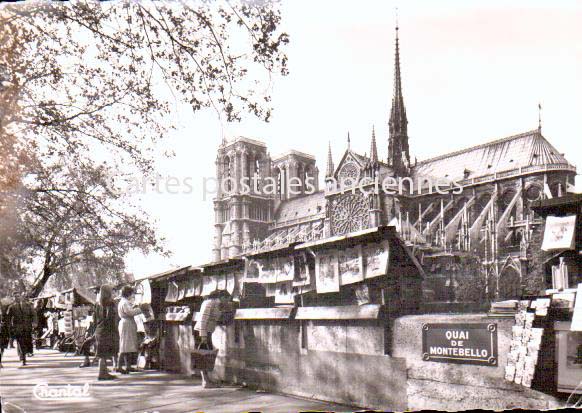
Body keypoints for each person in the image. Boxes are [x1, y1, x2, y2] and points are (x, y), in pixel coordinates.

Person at [193, 291, 224, 388]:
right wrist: (203, 336)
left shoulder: (214, 303)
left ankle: (206, 380)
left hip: (206, 332)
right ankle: (206, 381)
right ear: (222, 297)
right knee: (204, 356)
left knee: (206, 356)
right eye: (227, 298)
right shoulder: (210, 303)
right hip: (202, 332)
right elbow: (203, 319)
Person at [94, 285, 117, 380]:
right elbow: (109, 317)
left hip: (99, 329)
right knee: (104, 353)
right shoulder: (109, 303)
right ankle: (102, 374)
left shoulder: (97, 304)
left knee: (101, 354)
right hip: (107, 330)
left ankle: (103, 372)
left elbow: (95, 319)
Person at [117, 286, 143, 374]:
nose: (132, 295)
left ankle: (128, 366)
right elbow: (130, 312)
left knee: (128, 346)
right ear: (128, 294)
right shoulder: (124, 302)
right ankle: (119, 366)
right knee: (124, 345)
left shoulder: (125, 302)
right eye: (131, 293)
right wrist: (140, 309)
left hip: (127, 324)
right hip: (126, 324)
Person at [6, 292, 35, 366]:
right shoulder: (11, 307)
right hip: (18, 328)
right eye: (15, 297)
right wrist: (9, 327)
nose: (17, 298)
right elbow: (8, 318)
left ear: (21, 297)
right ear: (14, 298)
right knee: (21, 343)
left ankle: (26, 354)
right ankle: (23, 358)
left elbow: (34, 314)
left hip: (27, 327)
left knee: (27, 342)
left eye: (18, 296)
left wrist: (35, 322)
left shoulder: (28, 306)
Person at [0, 304, 10, 369]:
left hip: (3, 333)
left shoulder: (5, 314)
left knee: (2, 348)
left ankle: (0, 361)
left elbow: (7, 324)